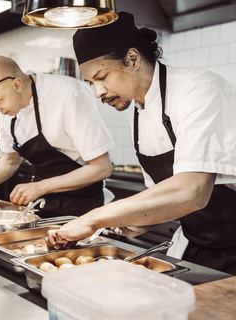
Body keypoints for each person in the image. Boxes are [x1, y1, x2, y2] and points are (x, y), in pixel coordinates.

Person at [47, 12, 236, 274]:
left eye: (102, 77)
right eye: (90, 83)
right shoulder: (138, 111)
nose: (97, 92)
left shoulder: (200, 90)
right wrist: (141, 221)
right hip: (199, 245)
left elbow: (192, 191)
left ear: (132, 59)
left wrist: (92, 219)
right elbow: (165, 198)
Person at [0, 56, 115, 218]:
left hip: (84, 208)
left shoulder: (69, 94)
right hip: (43, 207)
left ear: (17, 85)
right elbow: (10, 159)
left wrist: (40, 187)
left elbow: (102, 168)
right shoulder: (7, 109)